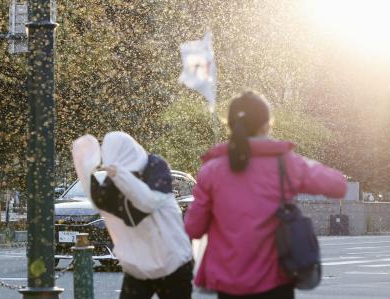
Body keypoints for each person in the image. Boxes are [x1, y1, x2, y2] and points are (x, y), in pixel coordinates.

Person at [184, 91, 347, 299]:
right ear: (267, 124)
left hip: (228, 282)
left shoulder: (212, 170)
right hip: (275, 280)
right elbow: (338, 185)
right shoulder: (285, 163)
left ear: (230, 125)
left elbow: (193, 228)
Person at [72, 131, 193, 299]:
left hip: (173, 262)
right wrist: (85, 168)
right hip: (139, 267)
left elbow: (148, 202)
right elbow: (100, 200)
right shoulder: (114, 180)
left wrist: (120, 175)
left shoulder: (154, 166)